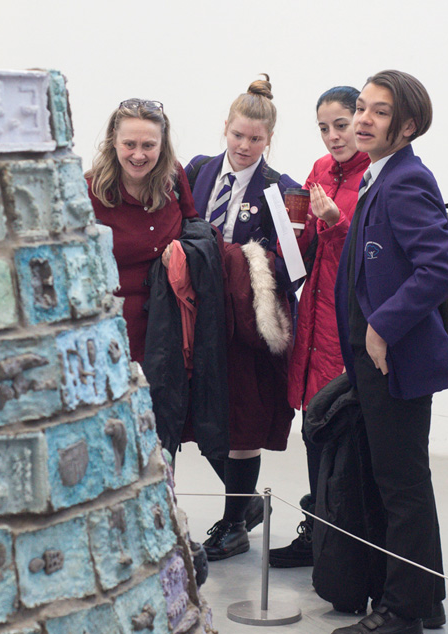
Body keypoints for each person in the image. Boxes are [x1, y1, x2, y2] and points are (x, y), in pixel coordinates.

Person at [329, 70, 448, 634]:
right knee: (406, 478)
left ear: (407, 126)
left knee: (399, 484)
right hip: (378, 357)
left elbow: (440, 268)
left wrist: (382, 326)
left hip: (394, 359)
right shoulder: (381, 176)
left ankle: (402, 613)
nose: (362, 119)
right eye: (361, 107)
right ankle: (424, 597)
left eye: (378, 112)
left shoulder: (405, 180)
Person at [184, 75, 298, 561]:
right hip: (196, 313)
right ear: (224, 129)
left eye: (256, 138)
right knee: (197, 411)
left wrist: (234, 257)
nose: (245, 145)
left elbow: (291, 265)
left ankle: (234, 523)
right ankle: (246, 504)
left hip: (246, 322)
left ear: (269, 139)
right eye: (238, 135)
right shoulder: (197, 171)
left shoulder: (281, 189)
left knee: (243, 419)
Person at [268, 86, 371, 568]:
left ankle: (345, 540)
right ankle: (318, 532)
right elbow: (308, 245)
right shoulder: (321, 171)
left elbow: (373, 255)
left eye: (341, 125)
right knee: (314, 425)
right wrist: (293, 231)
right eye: (324, 128)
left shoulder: (375, 176)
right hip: (315, 315)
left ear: (363, 121)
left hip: (349, 318)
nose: (333, 136)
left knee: (343, 430)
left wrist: (335, 222)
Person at [86, 98, 198, 365]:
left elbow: (193, 225)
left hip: (168, 330)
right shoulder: (89, 191)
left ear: (162, 145)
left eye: (148, 145)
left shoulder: (173, 178)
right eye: (129, 144)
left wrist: (184, 254)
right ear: (114, 141)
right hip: (110, 332)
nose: (138, 155)